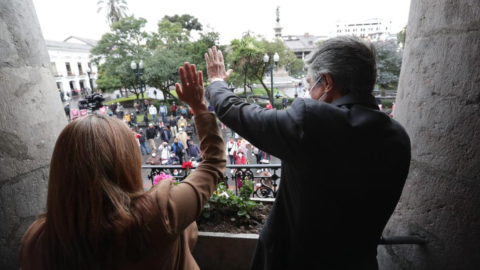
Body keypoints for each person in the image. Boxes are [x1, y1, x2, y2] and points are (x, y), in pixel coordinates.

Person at [202, 39, 411, 269]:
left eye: (311, 84)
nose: (309, 93)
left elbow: (239, 113)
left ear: (328, 82)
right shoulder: (398, 137)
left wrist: (216, 83)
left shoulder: (312, 121)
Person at [18, 65, 226, 269]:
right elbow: (213, 162)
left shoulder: (37, 241)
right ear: (126, 161)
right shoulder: (158, 213)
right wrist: (199, 107)